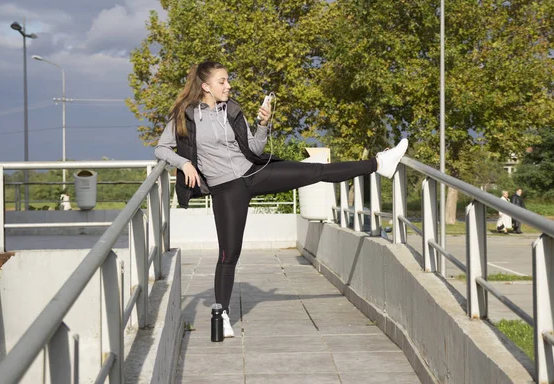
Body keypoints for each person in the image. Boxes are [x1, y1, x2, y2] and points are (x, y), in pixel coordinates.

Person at [155, 61, 408, 338]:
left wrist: (263, 124)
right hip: (226, 189)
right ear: (206, 86)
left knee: (315, 170)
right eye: (222, 82)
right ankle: (222, 314)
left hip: (255, 172)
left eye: (228, 81)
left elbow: (254, 148)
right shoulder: (186, 115)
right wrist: (184, 163)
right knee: (229, 254)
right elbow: (161, 148)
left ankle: (379, 163)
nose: (228, 86)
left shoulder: (233, 109)